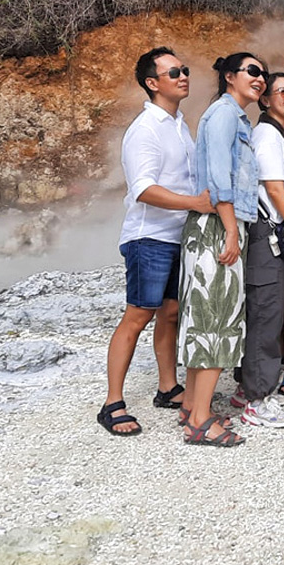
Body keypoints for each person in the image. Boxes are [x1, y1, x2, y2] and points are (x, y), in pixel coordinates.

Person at [97, 47, 215, 437]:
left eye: (184, 69)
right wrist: (196, 203)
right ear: (152, 83)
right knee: (138, 315)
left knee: (170, 314)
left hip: (178, 235)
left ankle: (167, 388)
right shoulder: (145, 129)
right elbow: (143, 188)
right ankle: (112, 402)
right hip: (149, 237)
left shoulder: (179, 123)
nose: (184, 76)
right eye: (174, 72)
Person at [176, 52, 267, 447]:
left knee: (205, 319)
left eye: (262, 73)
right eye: (252, 71)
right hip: (218, 224)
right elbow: (218, 177)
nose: (260, 79)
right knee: (216, 320)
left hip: (218, 223)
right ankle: (200, 420)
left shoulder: (231, 115)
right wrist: (231, 229)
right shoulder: (225, 114)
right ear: (230, 77)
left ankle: (193, 408)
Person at [238, 72, 284, 428]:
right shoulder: (267, 135)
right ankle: (257, 400)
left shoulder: (276, 134)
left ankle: (250, 388)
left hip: (272, 234)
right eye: (281, 91)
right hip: (270, 233)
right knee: (266, 317)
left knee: (266, 314)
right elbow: (275, 189)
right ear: (265, 100)